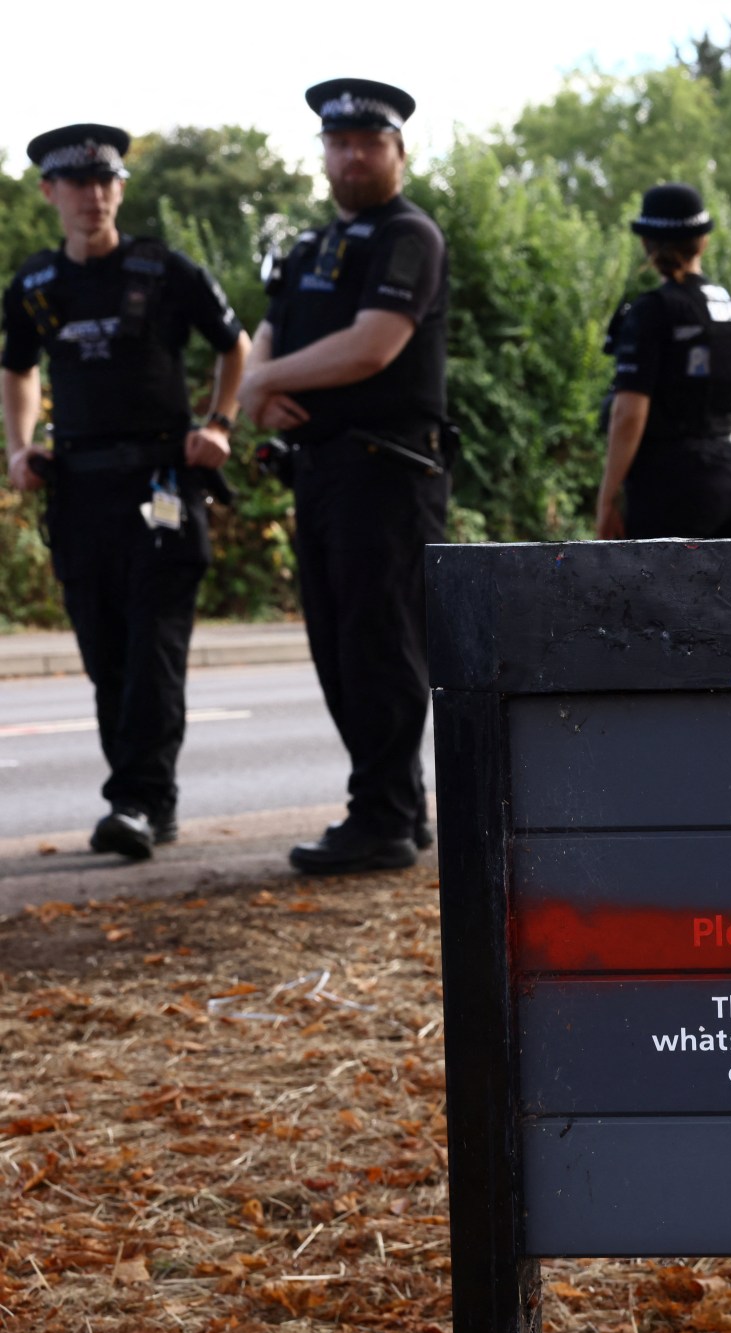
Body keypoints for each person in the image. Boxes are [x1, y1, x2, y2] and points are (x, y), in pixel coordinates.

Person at [2, 124, 250, 861]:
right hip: (78, 493)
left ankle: (139, 801)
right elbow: (17, 368)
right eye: (78, 184)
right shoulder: (35, 286)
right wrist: (20, 447)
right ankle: (142, 798)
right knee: (105, 655)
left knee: (152, 651)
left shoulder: (163, 269)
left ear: (119, 188)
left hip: (162, 489)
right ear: (50, 192)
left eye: (107, 181)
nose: (94, 196)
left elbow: (234, 345)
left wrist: (220, 425)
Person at [236, 80, 449, 874]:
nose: (353, 155)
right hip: (323, 472)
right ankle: (398, 806)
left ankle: (384, 821)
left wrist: (262, 384)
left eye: (370, 142)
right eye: (340, 142)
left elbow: (373, 346)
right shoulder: (308, 247)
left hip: (385, 471)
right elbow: (266, 329)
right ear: (324, 152)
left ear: (398, 151)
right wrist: (259, 386)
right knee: (339, 646)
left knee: (380, 646)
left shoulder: (407, 236)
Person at [594, 183, 731, 541]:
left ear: (646, 244)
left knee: (651, 596)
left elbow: (629, 414)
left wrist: (608, 500)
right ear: (703, 240)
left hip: (674, 486)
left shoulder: (651, 310)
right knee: (728, 597)